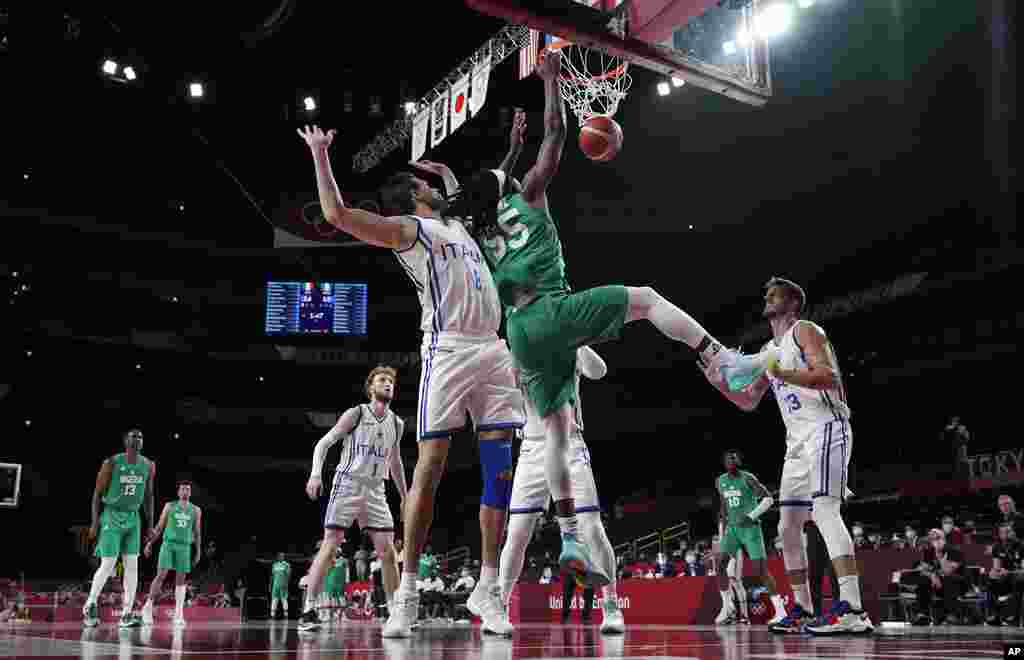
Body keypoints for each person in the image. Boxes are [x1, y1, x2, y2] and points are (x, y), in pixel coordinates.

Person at [450, 49, 759, 591]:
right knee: (645, 298)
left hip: (520, 333)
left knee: (555, 432)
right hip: (554, 309)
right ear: (506, 186)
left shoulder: (479, 231)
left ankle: (569, 535)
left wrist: (509, 148)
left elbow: (488, 186)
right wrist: (549, 83)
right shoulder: (532, 196)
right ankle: (721, 361)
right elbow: (555, 136)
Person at [297, 121, 526, 639]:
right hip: (447, 350)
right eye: (428, 186)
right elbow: (336, 214)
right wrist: (319, 153)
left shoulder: (461, 227)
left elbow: (488, 186)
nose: (438, 190)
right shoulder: (411, 230)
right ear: (414, 196)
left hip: (493, 349)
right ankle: (406, 594)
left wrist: (509, 148)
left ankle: (488, 589)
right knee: (431, 465)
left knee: (499, 470)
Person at [699, 277, 872, 635]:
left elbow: (828, 375)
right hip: (796, 444)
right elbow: (748, 400)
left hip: (826, 426)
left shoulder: (804, 331)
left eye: (775, 293)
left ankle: (853, 609)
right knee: (787, 527)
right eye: (766, 293)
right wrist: (718, 383)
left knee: (824, 510)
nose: (766, 297)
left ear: (793, 303)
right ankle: (804, 610)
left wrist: (783, 372)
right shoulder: (768, 349)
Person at [499, 346, 624, 634]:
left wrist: (575, 338)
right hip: (531, 448)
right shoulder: (517, 346)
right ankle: (500, 605)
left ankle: (612, 607)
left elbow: (599, 370)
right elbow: (505, 394)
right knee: (517, 532)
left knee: (591, 527)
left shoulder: (568, 343)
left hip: (570, 442)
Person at [300, 365, 408, 632]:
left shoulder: (397, 423)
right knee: (330, 545)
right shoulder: (356, 413)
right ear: (371, 387)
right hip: (347, 484)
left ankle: (395, 612)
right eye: (382, 380)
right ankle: (309, 610)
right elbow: (323, 444)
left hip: (375, 489)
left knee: (388, 552)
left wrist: (406, 496)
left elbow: (395, 462)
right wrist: (315, 475)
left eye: (391, 381)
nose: (388, 384)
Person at [83, 429, 155, 628]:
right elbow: (97, 494)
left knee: (132, 566)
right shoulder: (112, 462)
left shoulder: (148, 465)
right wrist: (94, 522)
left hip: (133, 518)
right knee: (108, 563)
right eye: (134, 436)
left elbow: (149, 496)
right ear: (125, 441)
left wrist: (150, 525)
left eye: (141, 436)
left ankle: (126, 613)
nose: (138, 439)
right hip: (112, 515)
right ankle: (90, 603)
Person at [713, 450, 783, 625]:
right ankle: (727, 607)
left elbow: (768, 499)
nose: (731, 459)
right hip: (732, 530)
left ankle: (781, 611)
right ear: (724, 463)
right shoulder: (720, 481)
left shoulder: (747, 478)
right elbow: (723, 506)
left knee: (761, 571)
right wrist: (722, 530)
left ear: (739, 461)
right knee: (720, 563)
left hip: (750, 528)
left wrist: (751, 515)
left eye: (734, 457)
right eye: (728, 458)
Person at [140, 480, 202, 626]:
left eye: (188, 489)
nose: (185, 491)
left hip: (185, 547)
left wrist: (198, 551)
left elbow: (197, 532)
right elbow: (160, 527)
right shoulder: (170, 506)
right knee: (161, 575)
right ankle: (148, 607)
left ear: (190, 492)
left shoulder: (196, 510)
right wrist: (149, 543)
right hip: (168, 544)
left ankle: (179, 614)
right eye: (183, 489)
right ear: (178, 492)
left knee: (181, 580)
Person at [269, 553, 291, 620]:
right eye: (279, 556)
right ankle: (272, 615)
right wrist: (270, 585)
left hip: (283, 585)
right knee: (274, 599)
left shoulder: (286, 565)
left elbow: (289, 575)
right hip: (275, 585)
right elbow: (272, 576)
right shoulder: (274, 565)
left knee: (284, 599)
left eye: (282, 556)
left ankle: (286, 615)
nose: (281, 557)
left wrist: (286, 584)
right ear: (277, 557)